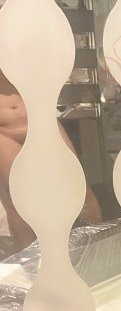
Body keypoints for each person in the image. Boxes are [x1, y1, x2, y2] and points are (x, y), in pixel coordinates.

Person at [0, 69, 102, 249]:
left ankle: (98, 245)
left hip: (41, 120)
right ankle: (29, 260)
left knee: (79, 186)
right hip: (4, 131)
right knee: (15, 198)